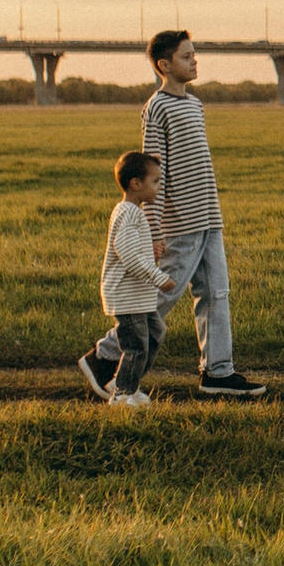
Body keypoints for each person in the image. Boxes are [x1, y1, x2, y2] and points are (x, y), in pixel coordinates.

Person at [78, 31, 267, 400]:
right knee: (157, 299)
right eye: (186, 56)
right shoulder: (158, 107)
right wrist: (153, 230)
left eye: (194, 54)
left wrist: (212, 212)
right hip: (179, 222)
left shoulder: (194, 105)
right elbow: (152, 173)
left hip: (209, 217)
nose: (195, 61)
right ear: (165, 65)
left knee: (216, 294)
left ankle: (218, 372)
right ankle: (104, 356)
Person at [94, 149, 174, 406]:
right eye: (155, 182)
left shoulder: (133, 213)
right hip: (127, 296)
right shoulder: (128, 213)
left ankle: (126, 384)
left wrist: (152, 251)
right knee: (136, 346)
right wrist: (157, 276)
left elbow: (133, 250)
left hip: (138, 296)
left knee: (155, 332)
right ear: (136, 184)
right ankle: (122, 395)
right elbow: (127, 253)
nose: (158, 188)